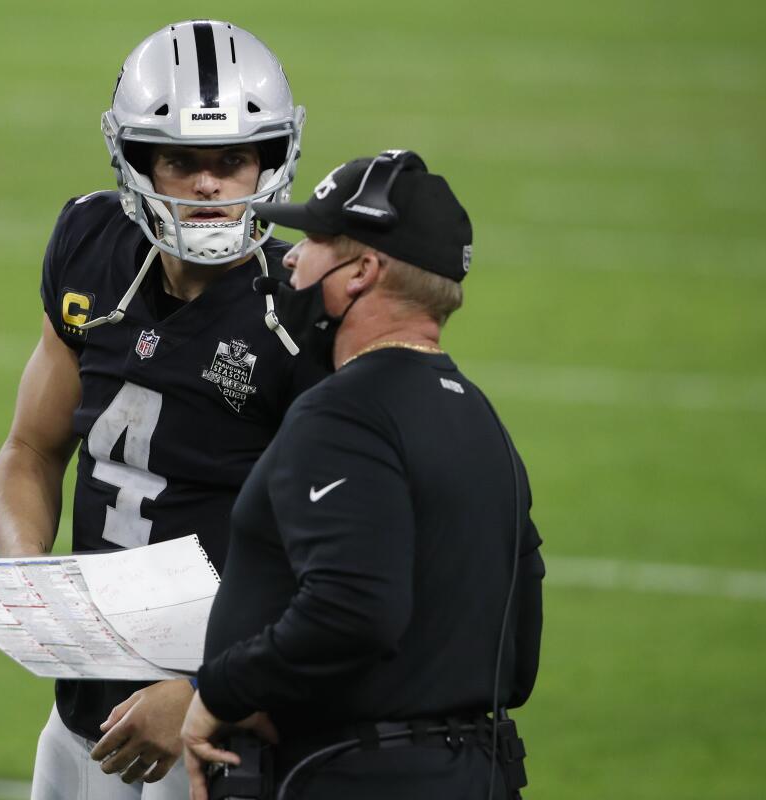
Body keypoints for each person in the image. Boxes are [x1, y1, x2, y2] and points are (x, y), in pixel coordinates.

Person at [0, 20, 320, 800]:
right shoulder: (90, 244)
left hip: (216, 738)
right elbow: (29, 451)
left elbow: (333, 571)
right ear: (135, 159)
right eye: (181, 160)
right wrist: (27, 576)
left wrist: (211, 688)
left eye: (233, 160)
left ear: (271, 160)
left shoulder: (301, 312)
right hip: (83, 719)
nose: (208, 185)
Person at [181, 150, 545, 800]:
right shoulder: (481, 419)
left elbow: (352, 608)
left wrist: (223, 688)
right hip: (478, 774)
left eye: (316, 242)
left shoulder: (340, 414)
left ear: (362, 274)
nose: (290, 257)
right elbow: (516, 657)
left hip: (354, 775)